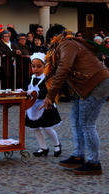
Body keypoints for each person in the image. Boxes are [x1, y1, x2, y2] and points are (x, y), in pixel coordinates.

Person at [42, 24, 109, 175]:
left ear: (52, 38)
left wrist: (50, 95)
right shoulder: (70, 42)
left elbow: (64, 69)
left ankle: (94, 163)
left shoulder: (66, 44)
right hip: (86, 85)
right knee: (75, 119)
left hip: (94, 84)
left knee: (87, 124)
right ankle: (78, 156)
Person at [25, 52, 62, 157]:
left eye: (39, 66)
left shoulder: (46, 79)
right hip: (33, 106)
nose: (36, 69)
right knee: (35, 128)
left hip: (45, 105)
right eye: (33, 66)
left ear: (44, 66)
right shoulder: (31, 78)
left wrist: (35, 93)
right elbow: (26, 88)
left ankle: (57, 144)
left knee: (47, 127)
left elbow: (45, 92)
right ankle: (43, 147)